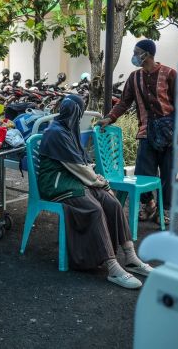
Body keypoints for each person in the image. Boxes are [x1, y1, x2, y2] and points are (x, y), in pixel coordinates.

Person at [39, 95, 153, 289]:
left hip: (74, 180)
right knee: (94, 208)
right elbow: (76, 166)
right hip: (56, 185)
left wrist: (97, 179)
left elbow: (82, 164)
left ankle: (131, 257)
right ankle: (112, 266)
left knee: (112, 203)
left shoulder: (67, 130)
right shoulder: (56, 132)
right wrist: (97, 181)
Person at [97, 39, 177, 225]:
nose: (133, 55)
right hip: (146, 133)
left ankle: (165, 210)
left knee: (168, 175)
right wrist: (110, 118)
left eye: (136, 52)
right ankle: (148, 205)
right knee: (143, 172)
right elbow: (124, 102)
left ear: (147, 54)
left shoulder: (170, 74)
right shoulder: (134, 77)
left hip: (169, 134)